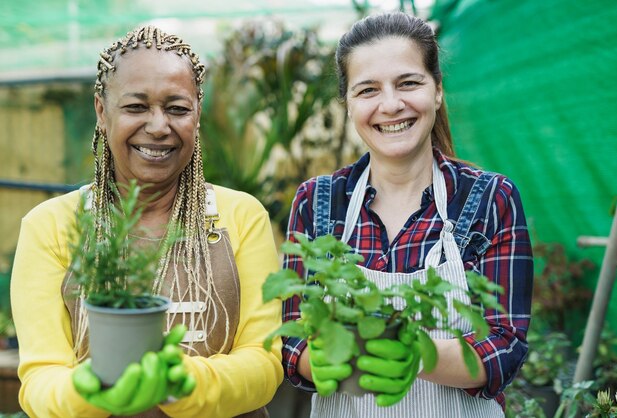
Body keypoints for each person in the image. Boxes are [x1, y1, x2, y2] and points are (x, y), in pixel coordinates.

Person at [10, 25, 282, 418]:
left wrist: (181, 384)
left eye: (177, 108)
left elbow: (265, 359)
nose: (158, 126)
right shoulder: (50, 225)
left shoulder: (240, 216)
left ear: (197, 114)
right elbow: (40, 380)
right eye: (136, 107)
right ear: (102, 112)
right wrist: (91, 391)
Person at [281, 12, 533, 417]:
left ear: (437, 91)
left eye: (408, 83)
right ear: (347, 103)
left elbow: (504, 344)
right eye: (368, 90)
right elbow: (294, 342)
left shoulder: (488, 198)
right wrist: (322, 360)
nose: (391, 105)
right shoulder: (318, 202)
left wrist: (418, 355)